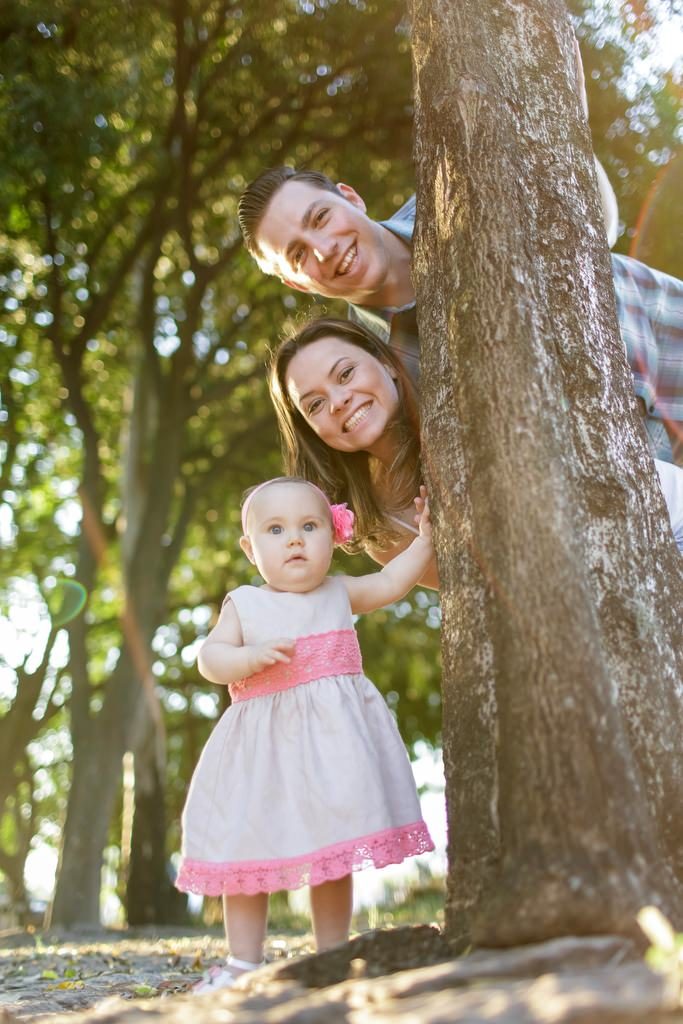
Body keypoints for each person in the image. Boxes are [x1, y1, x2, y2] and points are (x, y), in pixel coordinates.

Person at [175, 476, 435, 993]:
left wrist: (425, 541)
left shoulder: (338, 592)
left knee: (332, 854)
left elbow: (390, 582)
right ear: (251, 549)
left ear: (332, 539)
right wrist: (245, 658)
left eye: (309, 526)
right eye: (276, 529)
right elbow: (209, 657)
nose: (294, 539)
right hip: (262, 756)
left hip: (332, 754)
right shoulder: (245, 604)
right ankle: (243, 963)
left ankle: (333, 956)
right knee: (244, 855)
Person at [238, 167, 682, 467]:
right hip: (643, 485)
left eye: (320, 218)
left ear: (351, 197)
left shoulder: (453, 191)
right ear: (297, 283)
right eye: (298, 255)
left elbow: (586, 203)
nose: (324, 248)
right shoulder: (374, 372)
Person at [268, 318, 683, 570]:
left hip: (661, 513)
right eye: (316, 404)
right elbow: (479, 595)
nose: (339, 401)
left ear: (387, 366)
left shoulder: (468, 401)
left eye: (345, 374)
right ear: (311, 430)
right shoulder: (382, 532)